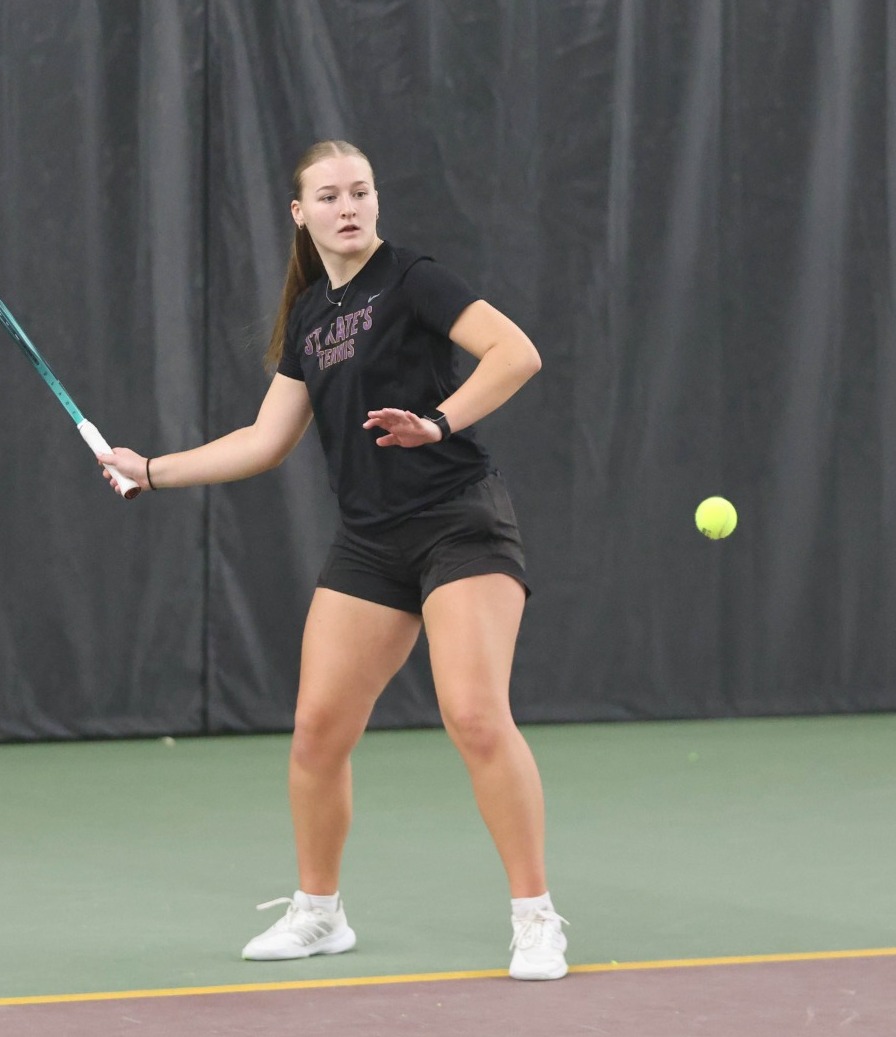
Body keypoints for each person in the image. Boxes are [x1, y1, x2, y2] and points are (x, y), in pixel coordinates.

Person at [98, 139, 567, 981]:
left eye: (359, 192)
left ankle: (535, 918)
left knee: (472, 713)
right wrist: (152, 471)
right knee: (317, 731)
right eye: (328, 196)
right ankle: (319, 913)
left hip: (458, 521)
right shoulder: (311, 318)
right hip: (370, 540)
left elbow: (515, 353)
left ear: (375, 200)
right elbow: (264, 439)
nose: (346, 207)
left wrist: (438, 421)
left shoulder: (414, 277)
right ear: (299, 213)